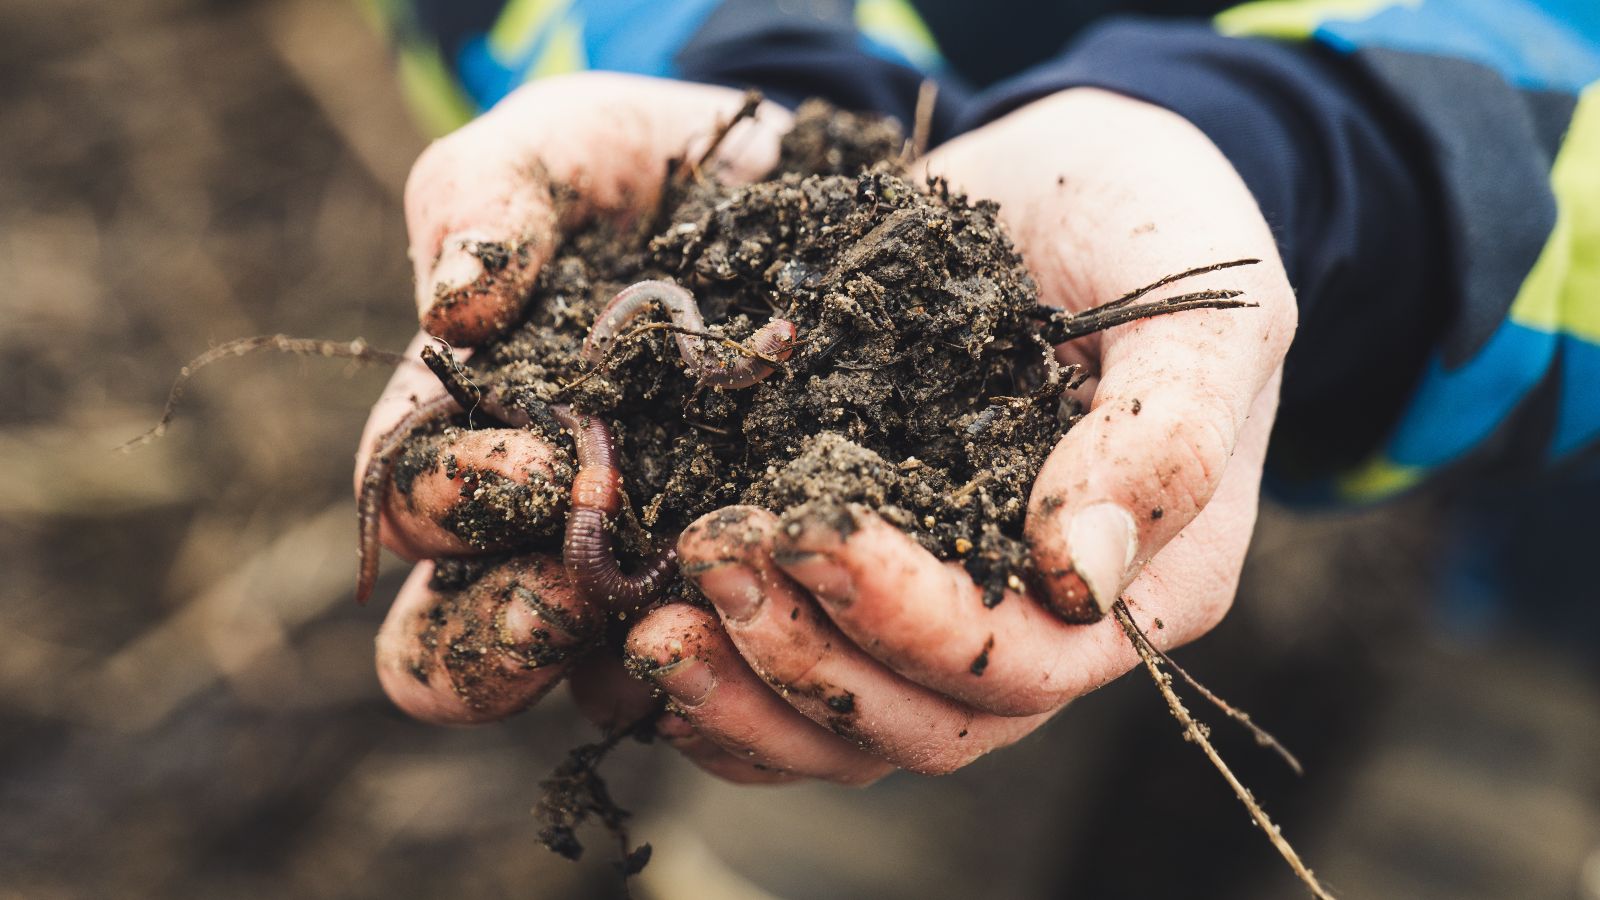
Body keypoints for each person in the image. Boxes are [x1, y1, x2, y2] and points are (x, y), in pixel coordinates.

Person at [355, 0, 1600, 784]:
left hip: (1546, 506)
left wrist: (1333, 165)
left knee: (1483, 725)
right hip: (762, 90)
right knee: (844, 696)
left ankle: (1489, 699)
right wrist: (750, 59)